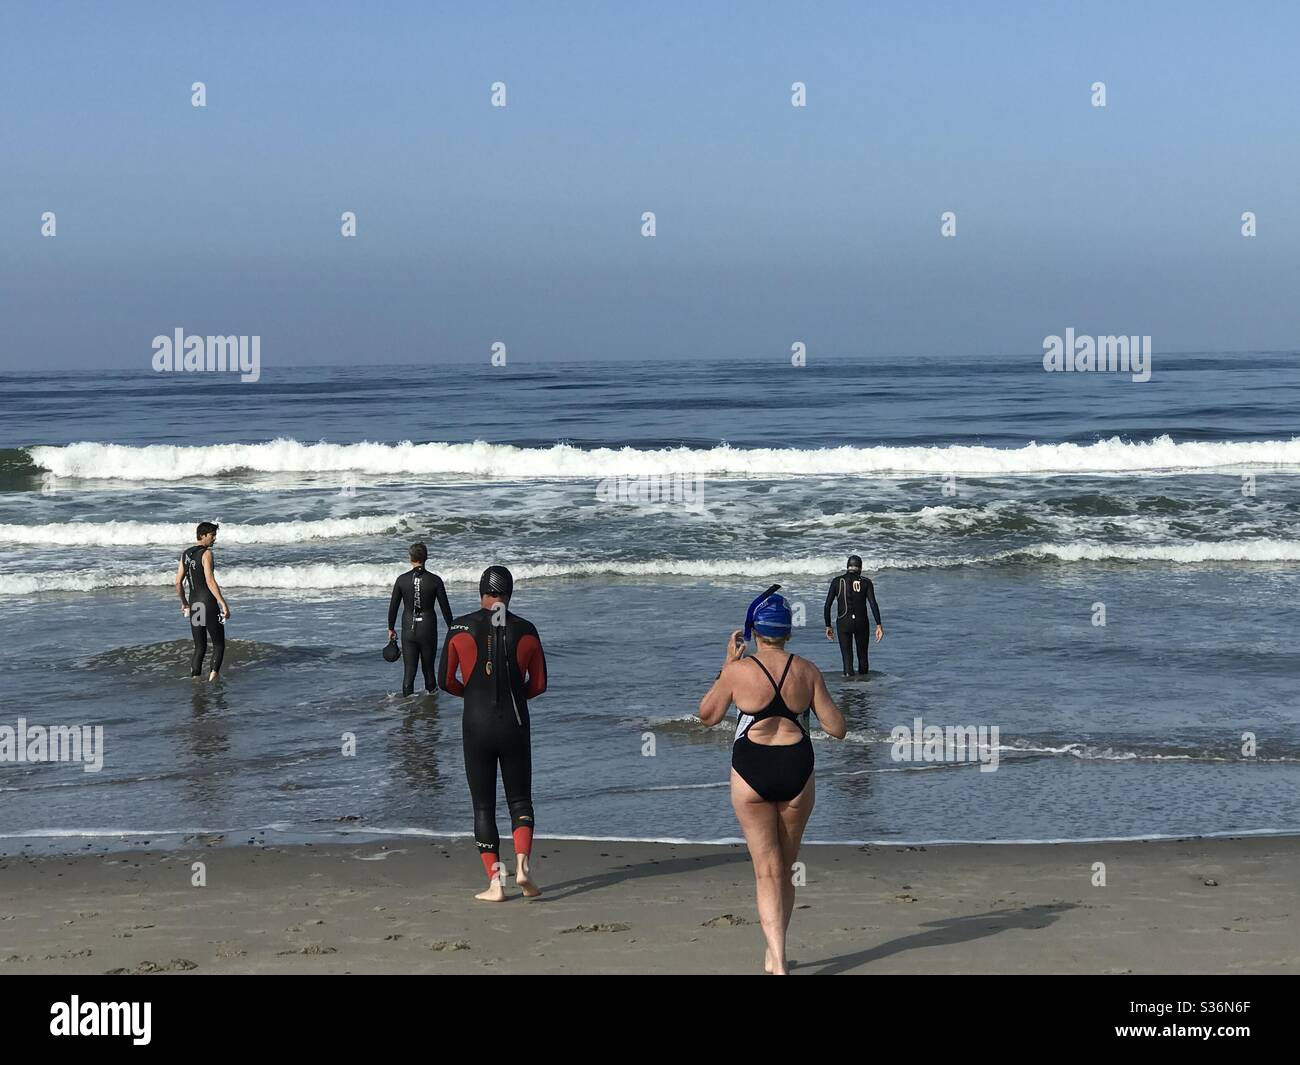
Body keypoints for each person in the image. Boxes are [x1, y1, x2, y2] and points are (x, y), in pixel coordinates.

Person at [698, 592, 845, 974]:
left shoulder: (738, 671)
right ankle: (776, 952)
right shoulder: (808, 670)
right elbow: (838, 728)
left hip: (752, 768)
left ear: (754, 633)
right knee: (787, 866)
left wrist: (727, 664)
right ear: (788, 633)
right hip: (797, 768)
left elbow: (708, 716)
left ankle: (777, 959)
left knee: (765, 869)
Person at [439, 565, 548, 901]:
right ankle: (523, 866)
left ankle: (496, 884)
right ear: (510, 593)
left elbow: (446, 680)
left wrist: (474, 697)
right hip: (515, 724)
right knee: (520, 800)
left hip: (476, 725)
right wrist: (514, 697)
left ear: (481, 591)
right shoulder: (527, 630)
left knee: (483, 808)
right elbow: (539, 684)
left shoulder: (459, 626)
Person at [387, 542, 453, 696]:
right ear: (426, 557)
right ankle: (432, 713)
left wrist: (391, 628)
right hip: (428, 629)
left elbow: (393, 607)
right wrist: (452, 628)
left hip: (409, 629)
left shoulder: (401, 580)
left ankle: (408, 712)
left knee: (409, 672)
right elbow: (445, 608)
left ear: (410, 558)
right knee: (429, 670)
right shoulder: (435, 580)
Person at [174, 521, 231, 681]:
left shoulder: (185, 554)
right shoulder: (206, 554)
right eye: (212, 536)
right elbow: (210, 581)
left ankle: (195, 681)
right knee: (219, 644)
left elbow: (178, 582)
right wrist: (223, 603)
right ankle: (213, 680)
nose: (214, 539)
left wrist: (184, 602)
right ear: (203, 535)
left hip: (196, 605)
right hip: (209, 604)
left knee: (200, 647)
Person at [823, 554, 884, 676]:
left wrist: (828, 626)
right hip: (862, 623)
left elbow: (827, 605)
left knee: (847, 659)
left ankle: (848, 690)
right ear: (860, 568)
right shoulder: (866, 582)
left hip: (843, 623)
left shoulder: (837, 581)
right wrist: (878, 625)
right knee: (863, 657)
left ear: (847, 567)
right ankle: (864, 689)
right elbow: (873, 604)